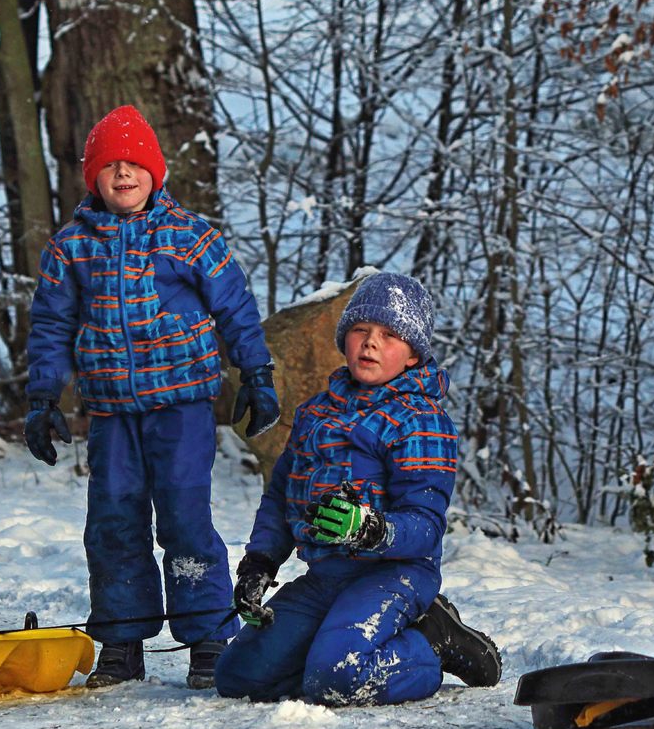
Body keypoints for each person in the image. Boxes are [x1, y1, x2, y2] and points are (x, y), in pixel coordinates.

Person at [23, 105, 280, 690]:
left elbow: (235, 306)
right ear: (93, 177)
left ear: (154, 172)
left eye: (133, 163)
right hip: (112, 412)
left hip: (182, 407)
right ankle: (121, 638)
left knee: (186, 519)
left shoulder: (189, 236)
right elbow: (51, 325)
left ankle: (209, 636)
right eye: (109, 165)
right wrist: (43, 398)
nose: (121, 175)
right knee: (113, 522)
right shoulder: (71, 248)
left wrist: (257, 373)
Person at [214, 272, 501, 706]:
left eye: (389, 335)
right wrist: (260, 562)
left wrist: (374, 529)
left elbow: (425, 525)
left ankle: (433, 641)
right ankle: (325, 650)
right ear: (344, 338)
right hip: (326, 577)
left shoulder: (421, 421)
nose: (370, 343)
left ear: (412, 356)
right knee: (238, 676)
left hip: (395, 574)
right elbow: (280, 498)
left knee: (339, 677)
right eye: (361, 330)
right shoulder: (314, 414)